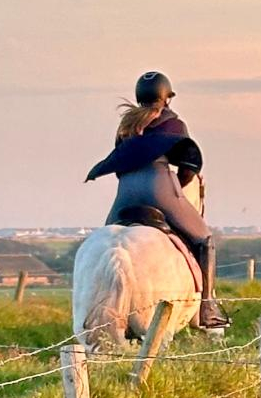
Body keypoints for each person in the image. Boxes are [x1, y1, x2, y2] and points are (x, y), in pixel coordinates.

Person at [85, 71, 230, 330]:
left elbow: (122, 164)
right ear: (167, 98)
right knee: (204, 239)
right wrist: (177, 189)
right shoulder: (173, 124)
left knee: (108, 240)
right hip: (159, 188)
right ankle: (207, 307)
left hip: (125, 193)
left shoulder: (125, 126)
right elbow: (188, 167)